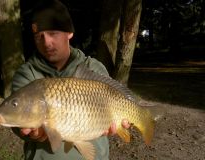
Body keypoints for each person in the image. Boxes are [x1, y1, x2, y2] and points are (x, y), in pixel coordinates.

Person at [11, 0, 130, 159]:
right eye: (39, 36)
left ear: (69, 33)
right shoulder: (27, 74)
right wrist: (31, 133)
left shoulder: (93, 68)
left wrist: (119, 124)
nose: (47, 42)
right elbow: (18, 124)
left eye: (53, 33)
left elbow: (114, 110)